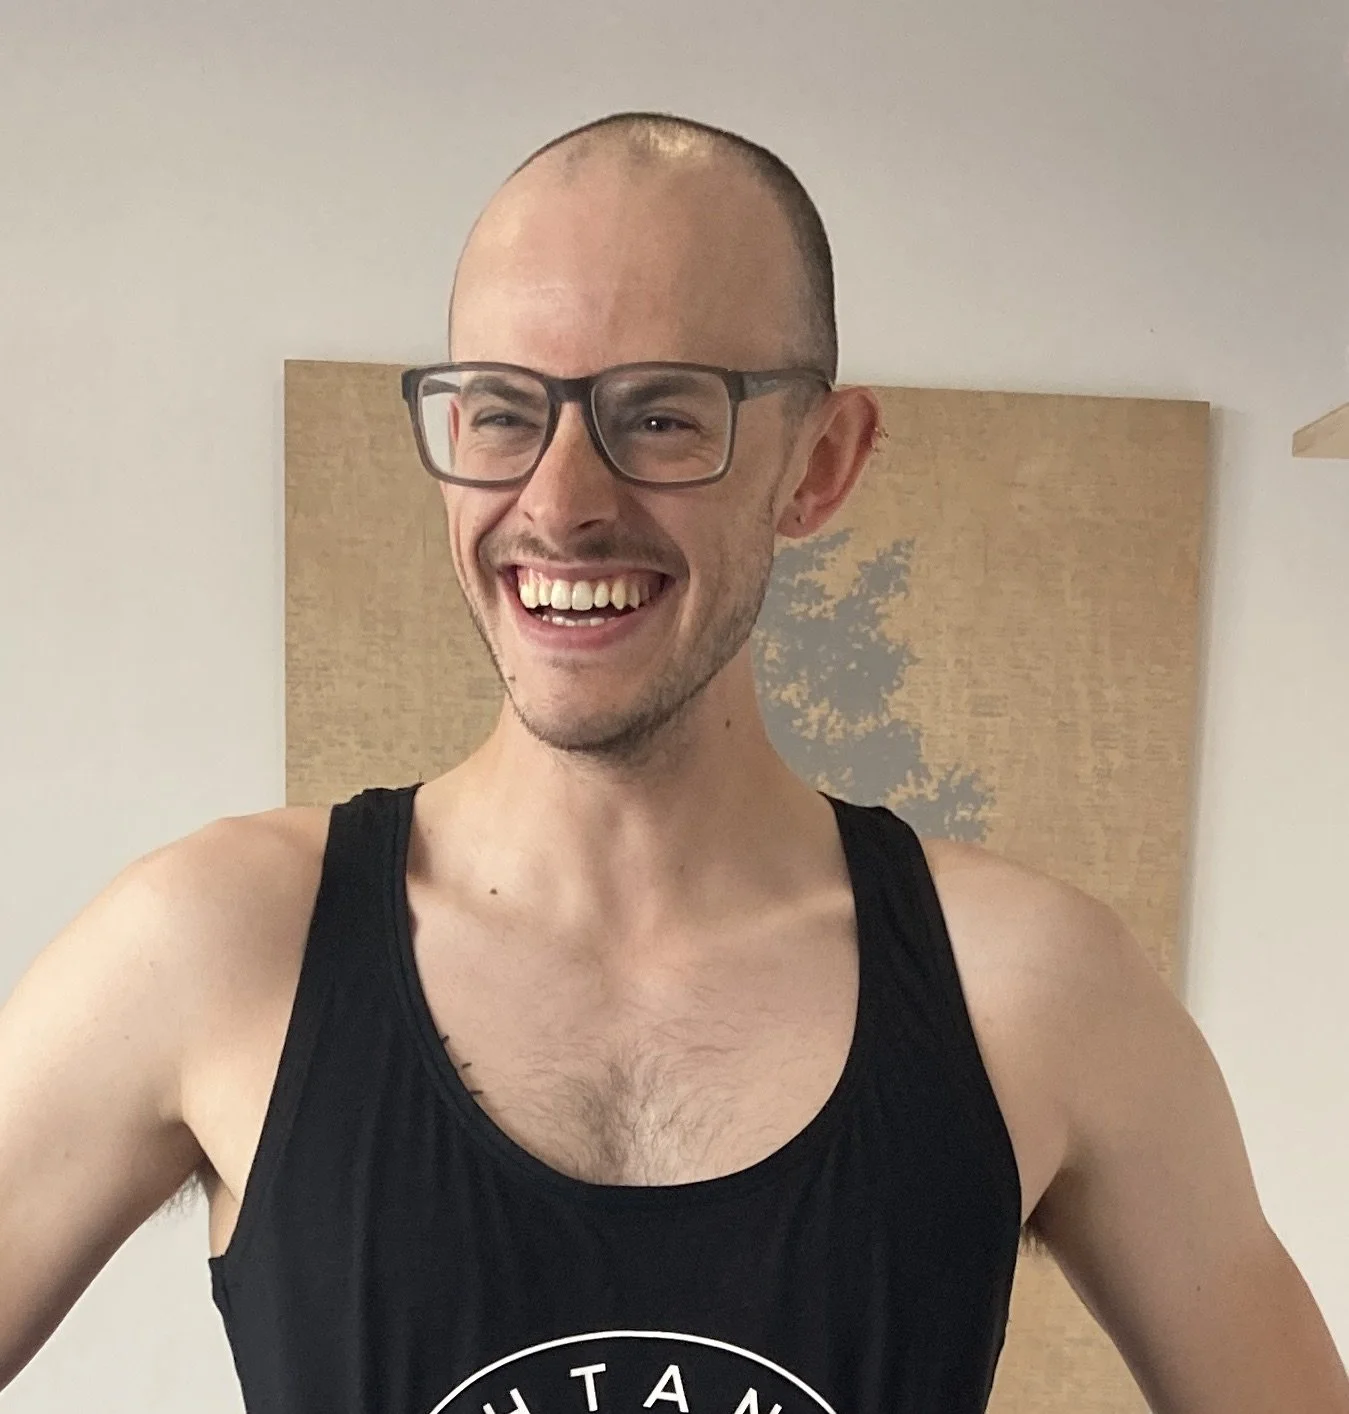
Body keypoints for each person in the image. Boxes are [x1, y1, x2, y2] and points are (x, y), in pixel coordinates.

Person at [1, 111, 1346, 1414]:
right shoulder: (217, 945)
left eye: (659, 417)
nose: (563, 500)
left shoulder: (1040, 989)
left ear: (820, 464)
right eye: (502, 412)